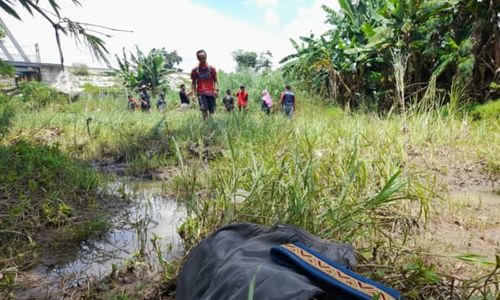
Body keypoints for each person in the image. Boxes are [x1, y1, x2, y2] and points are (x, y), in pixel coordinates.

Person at [191, 50, 218, 120]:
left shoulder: (212, 68)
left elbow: (215, 80)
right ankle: (205, 123)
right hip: (201, 92)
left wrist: (216, 90)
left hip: (211, 92)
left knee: (212, 110)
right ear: (198, 58)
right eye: (200, 58)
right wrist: (193, 94)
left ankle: (211, 124)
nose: (202, 59)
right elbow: (193, 82)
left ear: (206, 56)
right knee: (204, 109)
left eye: (203, 57)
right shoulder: (195, 70)